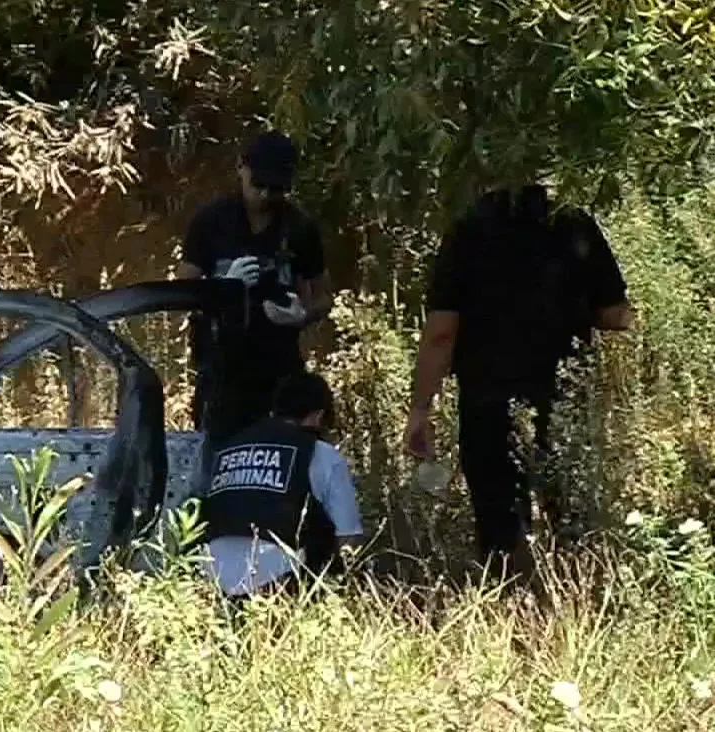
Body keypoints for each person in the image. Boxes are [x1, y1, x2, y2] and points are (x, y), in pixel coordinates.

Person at [403, 182, 633, 579]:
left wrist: (421, 408)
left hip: (488, 400)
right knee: (568, 513)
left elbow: (442, 331)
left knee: (499, 521)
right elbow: (617, 314)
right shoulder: (573, 223)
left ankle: (509, 605)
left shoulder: (469, 229)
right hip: (563, 397)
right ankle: (570, 599)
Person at [178, 131, 334, 447]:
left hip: (279, 371)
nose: (264, 195)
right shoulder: (211, 222)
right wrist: (222, 288)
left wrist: (302, 315)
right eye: (258, 185)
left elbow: (324, 296)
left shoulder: (299, 228)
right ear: (241, 169)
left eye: (274, 189)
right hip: (221, 369)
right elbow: (181, 293)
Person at [198, 370, 365, 598]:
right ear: (318, 416)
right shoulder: (320, 454)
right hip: (277, 583)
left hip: (210, 576)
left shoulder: (229, 448)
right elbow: (347, 539)